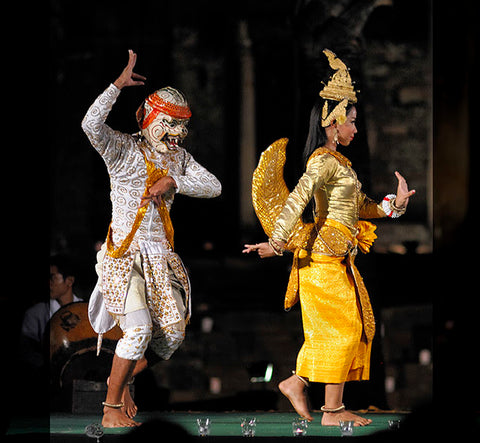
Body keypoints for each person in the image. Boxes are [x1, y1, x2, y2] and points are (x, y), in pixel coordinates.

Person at [243, 49, 415, 426]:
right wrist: (276, 241)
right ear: (333, 122)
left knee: (342, 329)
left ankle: (296, 382)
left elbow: (362, 208)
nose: (356, 129)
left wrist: (393, 205)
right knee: (346, 328)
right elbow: (297, 199)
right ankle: (332, 411)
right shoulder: (321, 160)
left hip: (337, 259)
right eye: (351, 121)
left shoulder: (341, 164)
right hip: (320, 261)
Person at [82, 50, 221, 427]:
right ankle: (110, 409)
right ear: (151, 120)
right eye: (171, 125)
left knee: (172, 335)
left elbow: (214, 185)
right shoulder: (122, 149)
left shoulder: (178, 159)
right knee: (139, 327)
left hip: (159, 257)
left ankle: (124, 379)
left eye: (183, 126)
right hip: (124, 256)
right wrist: (115, 87)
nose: (178, 135)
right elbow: (90, 125)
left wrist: (174, 180)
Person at [20, 255, 83, 368]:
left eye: (52, 278)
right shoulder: (35, 314)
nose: (49, 283)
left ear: (69, 281)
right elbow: (27, 352)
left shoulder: (85, 311)